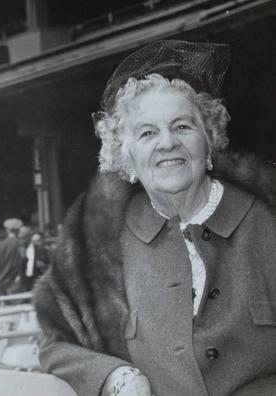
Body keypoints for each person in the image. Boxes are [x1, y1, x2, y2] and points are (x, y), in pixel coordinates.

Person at [33, 40, 276, 396]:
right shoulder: (100, 242)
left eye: (182, 127)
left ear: (209, 139)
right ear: (124, 155)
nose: (167, 143)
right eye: (147, 133)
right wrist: (116, 376)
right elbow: (55, 341)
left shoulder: (266, 220)